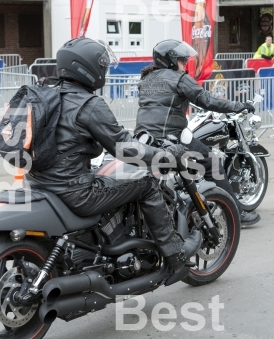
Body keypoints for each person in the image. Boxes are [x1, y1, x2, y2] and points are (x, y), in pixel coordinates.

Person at [25, 37, 201, 272]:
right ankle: (174, 254)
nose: (104, 69)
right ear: (88, 68)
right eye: (102, 65)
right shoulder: (89, 104)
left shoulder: (46, 96)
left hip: (38, 184)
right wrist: (166, 154)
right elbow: (126, 149)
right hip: (75, 192)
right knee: (146, 183)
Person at [135, 39, 261, 228]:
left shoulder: (146, 80)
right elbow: (208, 101)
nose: (184, 64)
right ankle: (236, 213)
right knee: (213, 164)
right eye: (182, 61)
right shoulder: (179, 79)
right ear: (171, 61)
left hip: (142, 138)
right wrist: (238, 106)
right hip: (171, 137)